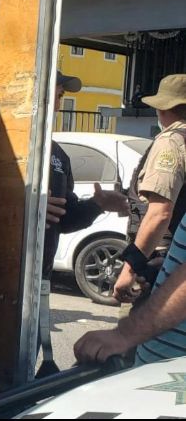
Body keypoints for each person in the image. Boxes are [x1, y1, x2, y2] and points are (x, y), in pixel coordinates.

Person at [74, 75, 186, 365]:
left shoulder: (171, 142)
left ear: (163, 110)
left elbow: (160, 212)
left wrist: (131, 266)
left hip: (158, 268)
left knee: (124, 362)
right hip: (168, 266)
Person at [36, 72, 129, 377]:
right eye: (54, 93)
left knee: (19, 371)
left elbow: (64, 218)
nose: (58, 103)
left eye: (62, 96)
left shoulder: (57, 154)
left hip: (37, 281)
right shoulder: (5, 145)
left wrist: (97, 204)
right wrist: (24, 205)